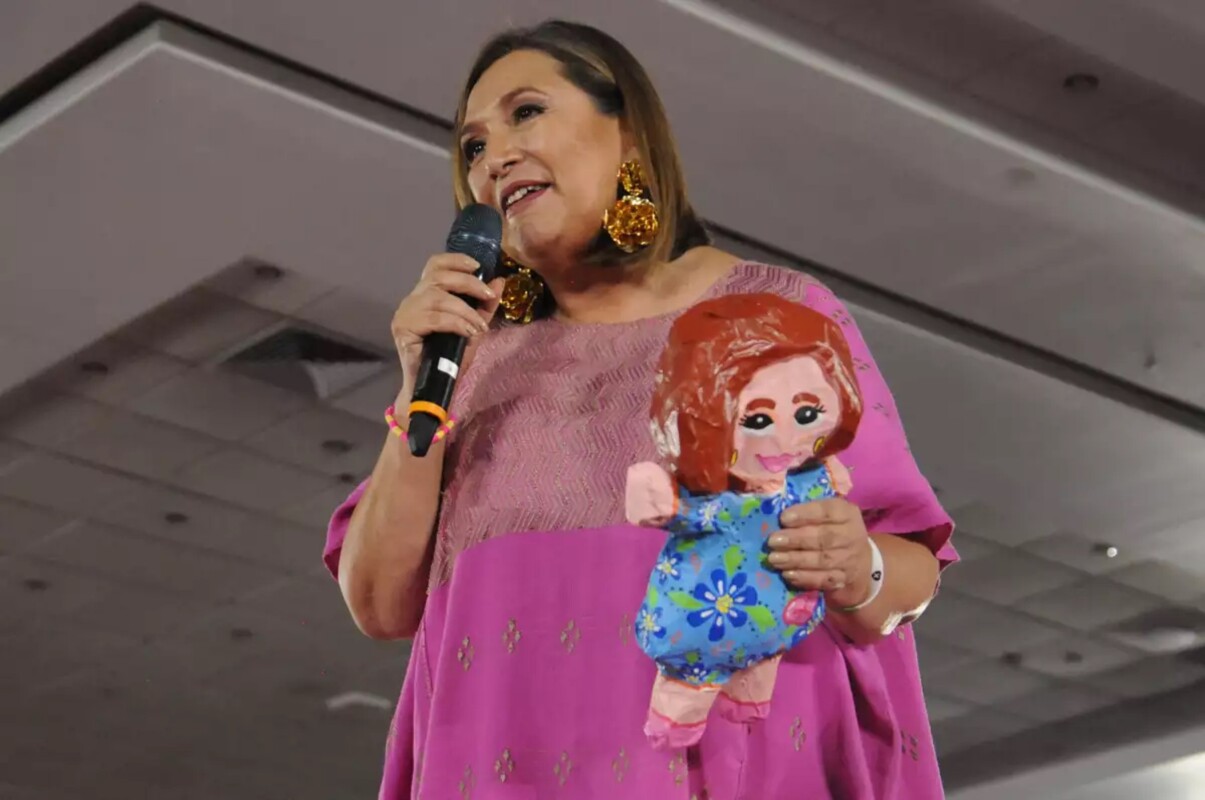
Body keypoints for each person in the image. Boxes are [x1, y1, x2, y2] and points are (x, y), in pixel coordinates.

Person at [324, 19, 957, 800]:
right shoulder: (474, 365)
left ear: (628, 135)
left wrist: (857, 566)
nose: (493, 160)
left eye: (526, 113)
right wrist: (418, 385)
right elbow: (379, 604)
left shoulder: (775, 316)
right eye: (472, 148)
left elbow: (910, 567)